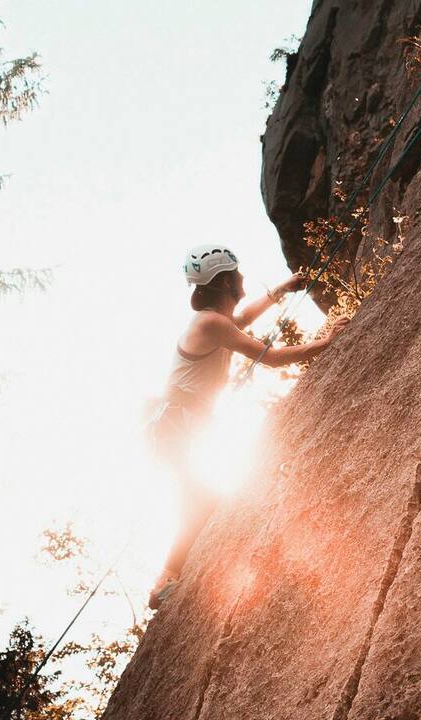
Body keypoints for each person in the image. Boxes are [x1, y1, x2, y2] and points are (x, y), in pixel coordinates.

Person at [147, 244, 350, 609]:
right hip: (177, 426)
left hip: (179, 425)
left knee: (204, 499)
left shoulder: (213, 321)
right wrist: (328, 342)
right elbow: (271, 358)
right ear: (225, 281)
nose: (242, 276)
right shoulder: (210, 323)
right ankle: (165, 579)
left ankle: (171, 574)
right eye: (236, 272)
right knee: (200, 499)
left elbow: (241, 321)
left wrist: (280, 290)